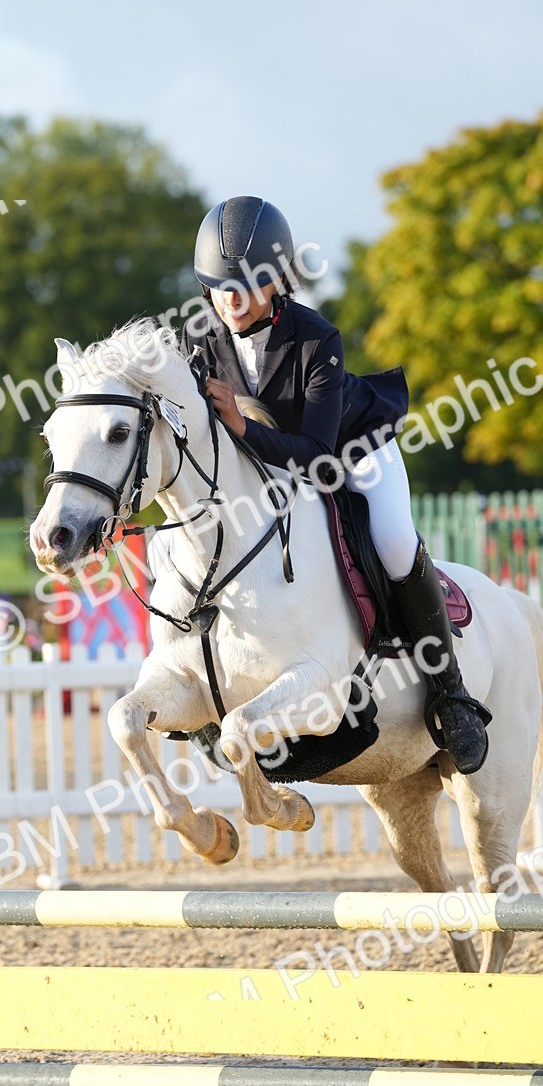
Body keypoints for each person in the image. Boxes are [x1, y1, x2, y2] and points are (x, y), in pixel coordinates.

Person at [180, 195, 491, 774]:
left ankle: (451, 692)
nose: (232, 301)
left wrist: (241, 426)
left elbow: (319, 456)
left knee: (394, 542)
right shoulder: (199, 342)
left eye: (248, 286)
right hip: (267, 468)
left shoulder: (316, 338)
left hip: (352, 452)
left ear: (277, 281)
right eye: (221, 288)